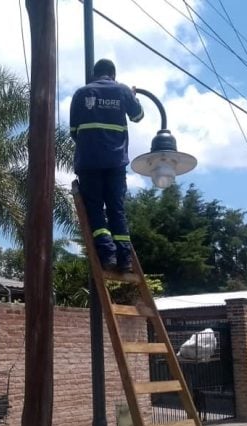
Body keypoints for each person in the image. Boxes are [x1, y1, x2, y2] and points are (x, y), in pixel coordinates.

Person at [70, 58, 144, 272]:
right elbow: (138, 116)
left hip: (89, 162)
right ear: (113, 74)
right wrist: (132, 95)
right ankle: (125, 259)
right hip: (115, 163)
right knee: (116, 210)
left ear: (95, 74)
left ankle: (107, 254)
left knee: (94, 209)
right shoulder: (122, 91)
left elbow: (74, 132)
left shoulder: (81, 94)